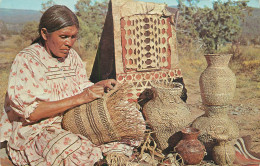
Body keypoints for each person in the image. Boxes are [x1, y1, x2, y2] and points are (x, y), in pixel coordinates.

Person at [0, 5, 144, 165]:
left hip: (72, 119)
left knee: (122, 131)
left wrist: (99, 85)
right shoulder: (26, 60)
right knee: (70, 147)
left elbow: (79, 88)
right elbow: (32, 114)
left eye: (73, 37)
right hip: (37, 129)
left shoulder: (72, 57)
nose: (69, 43)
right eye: (64, 36)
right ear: (44, 34)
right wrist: (81, 97)